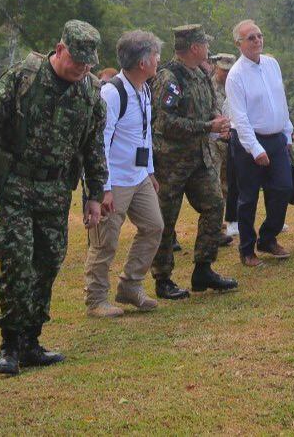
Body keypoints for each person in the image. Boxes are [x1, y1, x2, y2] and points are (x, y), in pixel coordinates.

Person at [0, 20, 108, 376]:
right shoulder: (23, 78)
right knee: (17, 261)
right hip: (16, 185)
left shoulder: (91, 92)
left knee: (48, 263)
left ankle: (32, 341)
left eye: (88, 63)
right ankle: (10, 345)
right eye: (77, 61)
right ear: (60, 50)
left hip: (56, 191)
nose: (82, 68)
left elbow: (94, 148)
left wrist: (94, 195)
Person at [82, 30, 166, 318]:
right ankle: (96, 299)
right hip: (114, 180)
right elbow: (99, 143)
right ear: (142, 62)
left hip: (138, 177)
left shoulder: (144, 89)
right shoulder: (112, 93)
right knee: (105, 242)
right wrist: (103, 188)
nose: (158, 59)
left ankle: (130, 285)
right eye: (155, 55)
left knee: (154, 226)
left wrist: (149, 171)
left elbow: (143, 135)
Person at [150, 25, 237, 298]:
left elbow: (209, 107)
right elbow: (165, 122)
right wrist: (207, 126)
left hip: (200, 157)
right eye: (205, 45)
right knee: (166, 218)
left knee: (215, 204)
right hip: (171, 162)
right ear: (195, 48)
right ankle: (162, 278)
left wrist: (217, 121)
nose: (208, 49)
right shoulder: (169, 78)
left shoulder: (201, 74)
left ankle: (203, 269)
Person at [226, 20, 294, 266]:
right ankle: (247, 250)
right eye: (251, 37)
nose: (257, 40)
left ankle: (268, 238)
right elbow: (239, 118)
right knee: (248, 197)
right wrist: (255, 149)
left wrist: (287, 132)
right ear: (239, 44)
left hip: (276, 137)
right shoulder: (236, 75)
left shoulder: (272, 64)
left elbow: (280, 101)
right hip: (249, 141)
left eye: (259, 35)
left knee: (284, 188)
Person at [210, 53, 239, 243]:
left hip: (232, 139)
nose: (226, 74)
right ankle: (214, 225)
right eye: (223, 70)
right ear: (216, 68)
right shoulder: (209, 86)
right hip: (214, 141)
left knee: (230, 183)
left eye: (229, 70)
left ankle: (230, 219)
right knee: (214, 184)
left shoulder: (235, 84)